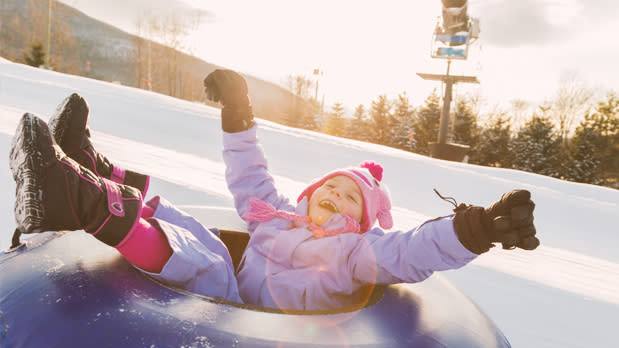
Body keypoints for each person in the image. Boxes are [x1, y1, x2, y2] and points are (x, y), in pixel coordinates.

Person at [9, 70, 539, 311]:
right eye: (330, 187)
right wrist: (238, 113)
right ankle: (96, 174)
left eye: (349, 198)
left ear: (359, 221)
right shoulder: (277, 214)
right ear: (309, 193)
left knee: (210, 263)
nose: (335, 197)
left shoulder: (354, 253)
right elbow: (247, 172)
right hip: (233, 290)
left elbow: (409, 251)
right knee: (192, 228)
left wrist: (471, 230)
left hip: (246, 314)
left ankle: (81, 201)